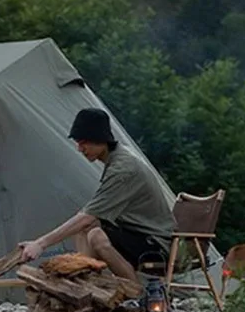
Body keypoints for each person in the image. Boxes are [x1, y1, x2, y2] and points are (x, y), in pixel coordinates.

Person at [18, 107, 176, 285]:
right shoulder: (116, 158)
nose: (79, 149)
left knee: (95, 235)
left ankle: (135, 294)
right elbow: (88, 216)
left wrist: (41, 243)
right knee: (85, 229)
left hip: (155, 243)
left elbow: (87, 216)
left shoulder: (123, 169)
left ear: (100, 139)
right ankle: (86, 284)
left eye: (83, 142)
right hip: (136, 234)